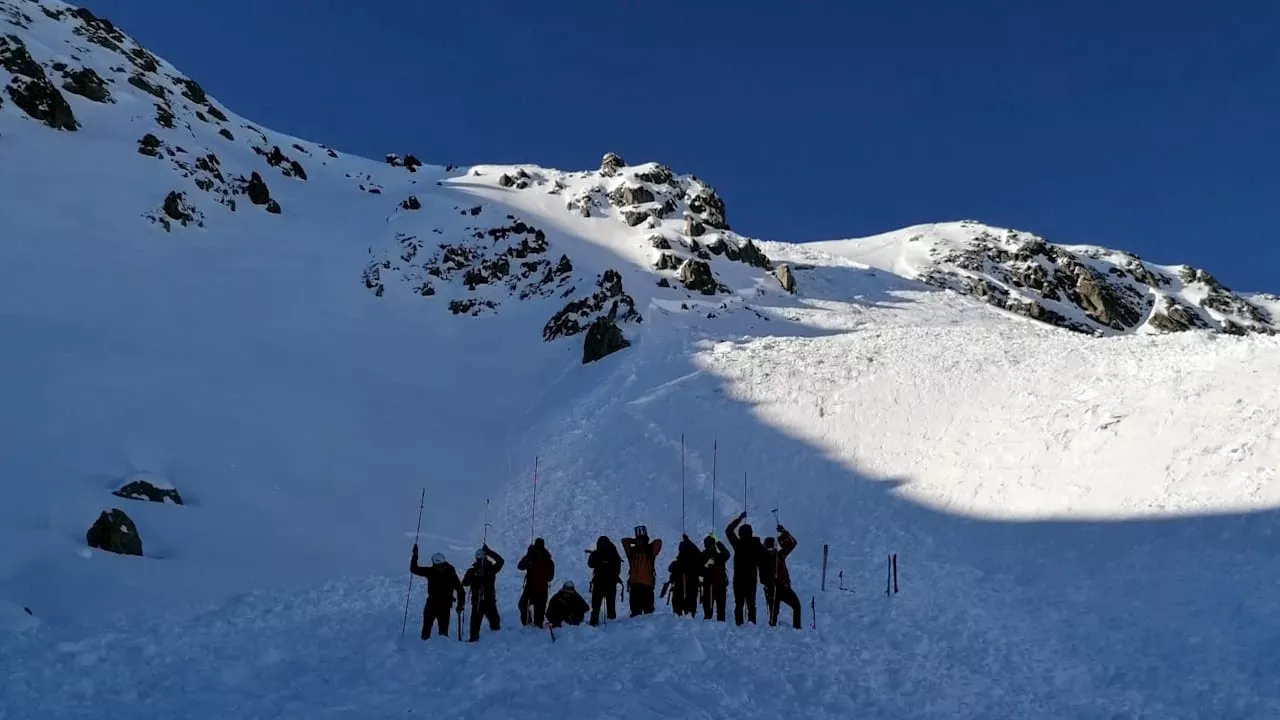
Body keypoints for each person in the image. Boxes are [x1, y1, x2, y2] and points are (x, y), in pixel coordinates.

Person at [409, 545, 465, 639]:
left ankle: (442, 650)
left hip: (444, 605)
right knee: (426, 630)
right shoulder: (431, 571)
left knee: (443, 633)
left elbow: (460, 590)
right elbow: (414, 569)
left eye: (439, 565)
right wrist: (415, 555)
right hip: (432, 603)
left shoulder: (450, 574)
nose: (437, 567)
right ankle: (424, 647)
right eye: (436, 565)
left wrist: (460, 604)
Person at [725, 511, 765, 625]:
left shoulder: (738, 544)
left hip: (739, 579)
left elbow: (728, 530)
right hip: (752, 578)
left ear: (741, 533)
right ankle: (752, 624)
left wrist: (739, 518)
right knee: (751, 603)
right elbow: (764, 559)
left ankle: (739, 625)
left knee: (739, 604)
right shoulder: (757, 545)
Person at [460, 544, 505, 642]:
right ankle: (489, 639)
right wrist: (489, 551)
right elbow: (465, 583)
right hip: (483, 600)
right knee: (491, 624)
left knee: (487, 623)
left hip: (483, 600)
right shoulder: (483, 570)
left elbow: (464, 583)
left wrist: (472, 575)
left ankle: (476, 639)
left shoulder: (487, 570)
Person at [760, 524, 801, 629]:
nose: (771, 551)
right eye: (768, 549)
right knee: (774, 614)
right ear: (764, 548)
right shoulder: (763, 560)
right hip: (772, 590)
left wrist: (784, 533)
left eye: (772, 548)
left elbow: (793, 543)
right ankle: (772, 634)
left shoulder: (780, 555)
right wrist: (769, 583)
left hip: (784, 588)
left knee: (796, 605)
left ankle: (797, 629)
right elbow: (762, 578)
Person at [620, 525, 662, 616]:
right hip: (636, 584)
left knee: (647, 610)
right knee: (636, 611)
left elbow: (659, 542)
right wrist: (635, 541)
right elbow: (624, 541)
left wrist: (642, 541)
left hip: (645, 585)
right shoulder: (633, 552)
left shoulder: (649, 550)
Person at [516, 538, 555, 628]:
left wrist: (529, 555)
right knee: (526, 608)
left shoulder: (533, 558)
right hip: (538, 590)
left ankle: (528, 625)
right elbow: (550, 578)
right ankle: (530, 626)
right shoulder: (548, 560)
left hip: (534, 590)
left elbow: (520, 566)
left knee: (524, 606)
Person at [586, 535, 623, 625]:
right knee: (611, 606)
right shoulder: (614, 553)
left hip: (598, 583)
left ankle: (594, 623)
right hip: (611, 583)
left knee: (596, 606)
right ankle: (612, 624)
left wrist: (593, 554)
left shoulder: (597, 553)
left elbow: (590, 564)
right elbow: (618, 570)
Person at [699, 533, 731, 622]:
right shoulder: (720, 555)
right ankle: (721, 624)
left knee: (708, 608)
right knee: (721, 607)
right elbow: (727, 554)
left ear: (705, 544)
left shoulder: (702, 556)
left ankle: (707, 623)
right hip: (720, 584)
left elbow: (699, 571)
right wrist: (717, 540)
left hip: (708, 585)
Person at [672, 534, 704, 617]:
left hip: (679, 597)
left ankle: (679, 614)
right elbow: (699, 555)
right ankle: (689, 614)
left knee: (680, 601)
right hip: (690, 596)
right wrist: (689, 542)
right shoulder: (695, 562)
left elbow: (671, 569)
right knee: (691, 599)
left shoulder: (678, 563)